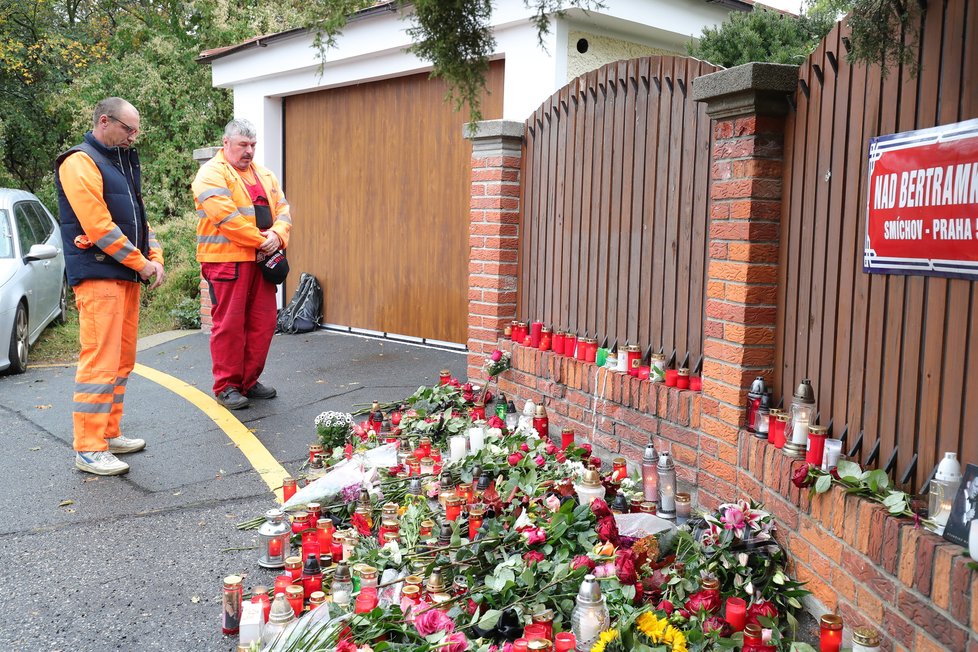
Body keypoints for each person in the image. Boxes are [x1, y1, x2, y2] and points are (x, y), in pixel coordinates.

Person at [55, 97, 165, 476]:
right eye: (128, 129)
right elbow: (100, 227)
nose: (134, 137)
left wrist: (155, 255)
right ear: (105, 121)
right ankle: (88, 449)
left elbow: (138, 220)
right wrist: (143, 263)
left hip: (123, 276)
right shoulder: (79, 162)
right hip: (100, 277)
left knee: (120, 363)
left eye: (135, 130)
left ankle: (108, 434)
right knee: (99, 364)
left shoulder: (119, 161)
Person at [192, 119, 291, 410]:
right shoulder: (210, 173)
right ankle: (227, 386)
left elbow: (284, 210)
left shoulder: (265, 175)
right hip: (227, 263)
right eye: (242, 145)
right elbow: (227, 219)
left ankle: (248, 381)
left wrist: (277, 235)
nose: (249, 151)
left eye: (252, 146)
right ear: (226, 144)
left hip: (261, 261)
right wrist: (264, 241)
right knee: (230, 326)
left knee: (263, 324)